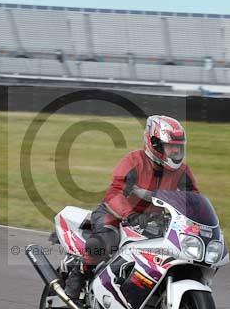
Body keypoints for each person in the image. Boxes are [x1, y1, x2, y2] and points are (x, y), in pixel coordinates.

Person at [65, 115, 199, 298]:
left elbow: (194, 198)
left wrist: (198, 221)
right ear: (155, 143)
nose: (175, 151)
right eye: (171, 146)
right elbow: (114, 193)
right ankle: (80, 273)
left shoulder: (182, 171)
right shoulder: (134, 161)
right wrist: (131, 215)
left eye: (179, 147)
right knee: (106, 241)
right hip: (117, 215)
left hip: (155, 222)